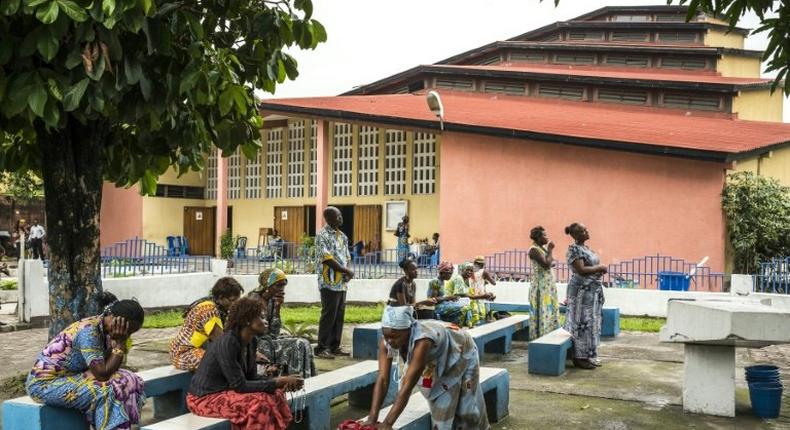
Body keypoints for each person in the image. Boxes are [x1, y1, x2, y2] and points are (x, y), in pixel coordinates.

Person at [361, 306, 489, 430]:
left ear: (408, 330)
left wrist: (388, 423)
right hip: (435, 360)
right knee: (441, 407)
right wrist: (372, 417)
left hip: (462, 351)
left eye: (395, 337)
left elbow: (407, 386)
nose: (390, 341)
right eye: (386, 335)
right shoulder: (387, 343)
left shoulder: (423, 341)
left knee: (468, 409)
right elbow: (383, 379)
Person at [25, 299, 146, 430]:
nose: (126, 334)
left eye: (130, 332)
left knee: (130, 378)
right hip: (45, 384)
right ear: (114, 318)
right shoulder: (88, 332)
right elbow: (102, 375)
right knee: (106, 391)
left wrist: (117, 343)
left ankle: (126, 425)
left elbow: (109, 367)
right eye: (126, 330)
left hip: (73, 376)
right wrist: (120, 344)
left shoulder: (106, 330)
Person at [187, 298, 304, 430]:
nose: (265, 322)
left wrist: (281, 383)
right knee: (259, 403)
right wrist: (278, 381)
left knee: (276, 394)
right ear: (247, 320)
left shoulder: (251, 341)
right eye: (261, 317)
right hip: (204, 398)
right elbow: (240, 385)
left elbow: (252, 377)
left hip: (227, 391)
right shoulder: (228, 343)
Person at [248, 268, 316, 378]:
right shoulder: (253, 300)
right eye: (278, 285)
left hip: (268, 340)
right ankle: (296, 383)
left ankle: (307, 382)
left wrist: (277, 307)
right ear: (267, 285)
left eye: (283, 285)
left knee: (305, 343)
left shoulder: (271, 300)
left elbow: (274, 333)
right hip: (255, 345)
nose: (282, 289)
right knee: (299, 344)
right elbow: (254, 332)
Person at [170, 277, 244, 371]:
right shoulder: (209, 310)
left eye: (237, 300)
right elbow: (221, 343)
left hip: (198, 348)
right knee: (219, 361)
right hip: (184, 353)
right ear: (221, 297)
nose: (235, 304)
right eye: (232, 300)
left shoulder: (216, 305)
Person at [564, 223, 608, 370]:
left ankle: (588, 354)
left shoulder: (585, 249)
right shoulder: (574, 249)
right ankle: (579, 357)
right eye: (583, 230)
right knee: (580, 324)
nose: (587, 231)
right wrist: (600, 268)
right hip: (581, 292)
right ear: (576, 235)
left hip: (591, 291)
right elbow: (581, 269)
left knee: (591, 323)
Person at [315, 206, 354, 359]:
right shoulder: (322, 235)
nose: (340, 218)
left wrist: (348, 271)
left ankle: (334, 346)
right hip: (328, 281)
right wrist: (346, 271)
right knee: (328, 315)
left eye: (340, 215)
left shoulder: (342, 236)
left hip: (342, 282)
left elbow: (347, 257)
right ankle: (321, 348)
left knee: (339, 315)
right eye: (337, 216)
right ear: (329, 218)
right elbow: (326, 258)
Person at [528, 226, 560, 339]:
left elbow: (550, 262)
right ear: (538, 237)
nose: (547, 237)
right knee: (543, 311)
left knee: (549, 311)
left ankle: (549, 335)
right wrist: (551, 250)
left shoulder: (542, 249)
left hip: (548, 287)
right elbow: (547, 264)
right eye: (545, 235)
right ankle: (540, 338)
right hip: (540, 288)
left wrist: (549, 258)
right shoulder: (534, 250)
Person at [447, 262, 495, 327]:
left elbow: (470, 293)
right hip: (449, 301)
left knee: (477, 304)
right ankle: (467, 325)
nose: (469, 272)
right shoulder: (459, 278)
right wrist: (483, 296)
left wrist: (487, 296)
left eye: (471, 271)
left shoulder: (467, 280)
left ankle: (475, 324)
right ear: (462, 269)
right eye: (467, 270)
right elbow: (461, 295)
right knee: (471, 306)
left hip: (457, 301)